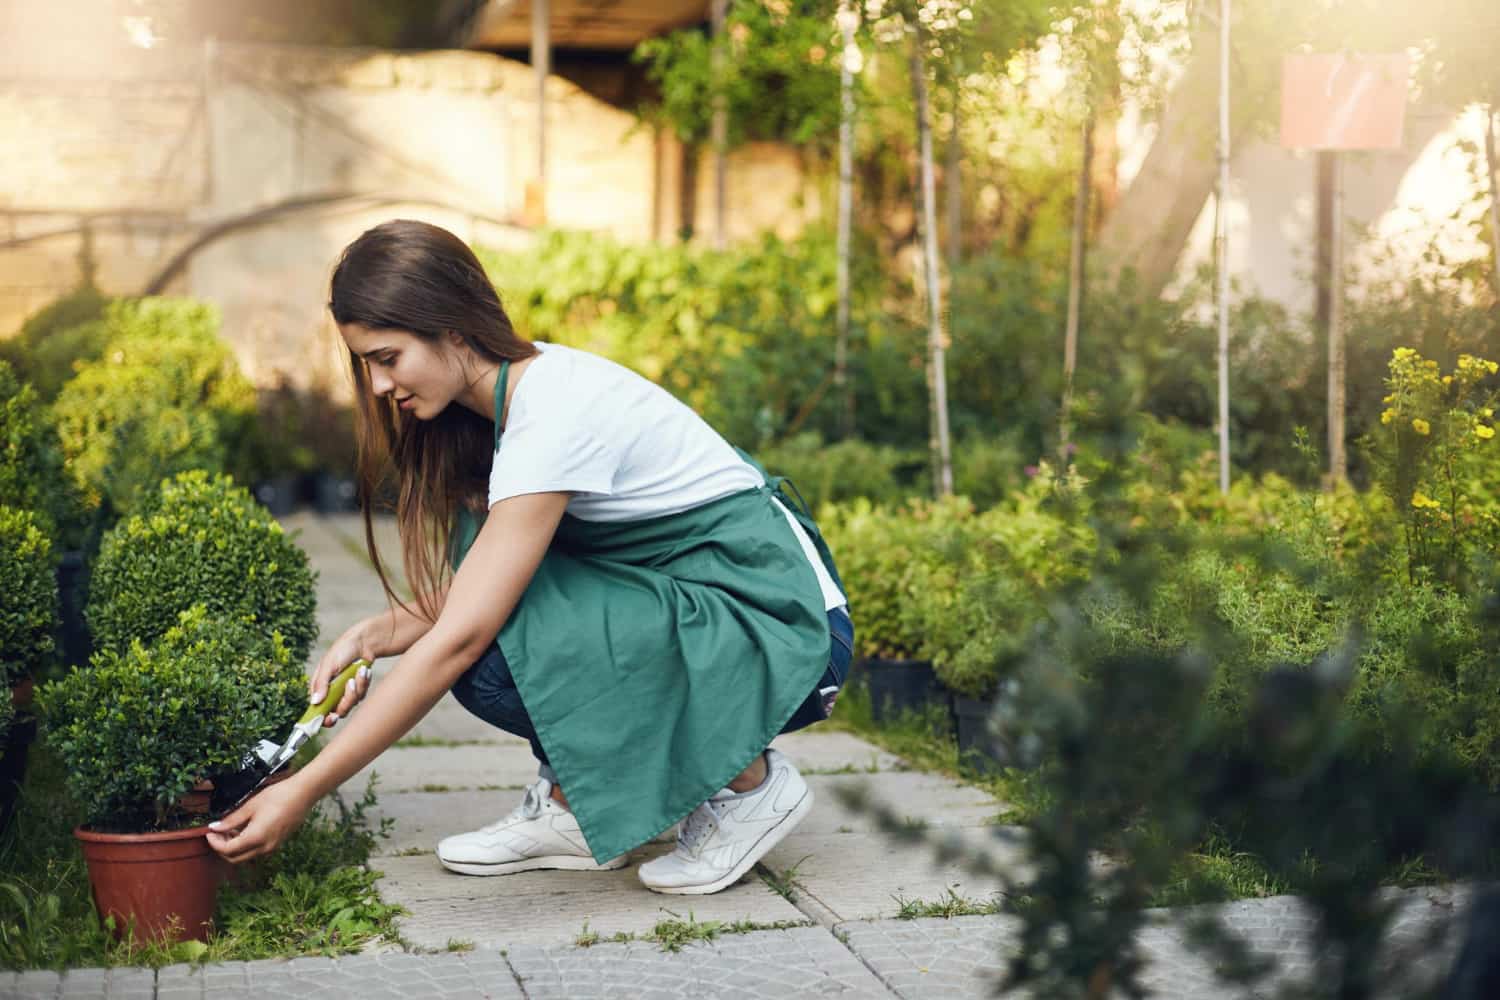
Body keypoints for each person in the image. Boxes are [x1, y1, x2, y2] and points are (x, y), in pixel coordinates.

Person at [207, 219, 853, 895]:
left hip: (790, 632)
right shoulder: (499, 404)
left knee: (487, 657)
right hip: (713, 613)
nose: (374, 386)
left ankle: (749, 787)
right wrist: (376, 633)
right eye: (365, 363)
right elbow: (485, 584)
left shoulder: (552, 414)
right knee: (498, 623)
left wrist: (304, 788)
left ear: (453, 330)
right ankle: (577, 807)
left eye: (388, 357)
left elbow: (466, 633)